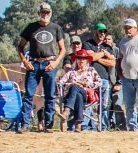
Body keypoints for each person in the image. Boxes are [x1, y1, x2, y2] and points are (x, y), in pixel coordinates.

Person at [15, 2, 66, 134]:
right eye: (43, 12)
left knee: (50, 95)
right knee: (29, 95)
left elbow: (62, 49)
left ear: (51, 14)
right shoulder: (31, 27)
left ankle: (48, 126)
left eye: (47, 12)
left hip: (50, 64)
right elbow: (20, 47)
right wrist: (25, 61)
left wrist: (56, 63)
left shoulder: (56, 28)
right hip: (33, 64)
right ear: (39, 13)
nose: (45, 15)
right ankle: (25, 125)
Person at [81, 23, 117, 131]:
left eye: (104, 32)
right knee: (89, 102)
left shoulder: (107, 47)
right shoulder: (87, 44)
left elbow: (112, 63)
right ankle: (86, 126)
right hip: (89, 78)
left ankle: (103, 126)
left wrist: (98, 57)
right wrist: (103, 54)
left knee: (104, 104)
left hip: (104, 79)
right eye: (100, 31)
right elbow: (90, 57)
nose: (102, 34)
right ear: (95, 32)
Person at [57, 50, 101, 132]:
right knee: (77, 95)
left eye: (83, 59)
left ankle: (66, 111)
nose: (81, 60)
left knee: (76, 88)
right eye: (79, 58)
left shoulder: (91, 70)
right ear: (76, 60)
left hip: (87, 95)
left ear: (87, 60)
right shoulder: (71, 72)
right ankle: (78, 124)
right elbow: (61, 82)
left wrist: (86, 84)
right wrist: (71, 83)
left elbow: (99, 82)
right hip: (72, 96)